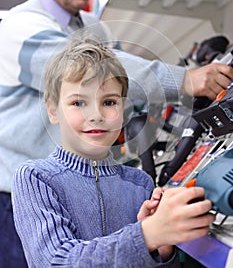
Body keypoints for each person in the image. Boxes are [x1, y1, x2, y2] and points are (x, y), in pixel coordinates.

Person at [0, 0, 232, 268]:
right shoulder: (19, 27)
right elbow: (96, 72)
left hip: (96, 179)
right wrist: (184, 79)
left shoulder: (95, 27)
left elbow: (123, 83)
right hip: (20, 198)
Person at [12, 39, 215, 267]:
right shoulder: (35, 178)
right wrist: (148, 234)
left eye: (108, 102)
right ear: (52, 110)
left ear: (124, 109)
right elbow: (55, 262)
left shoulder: (140, 183)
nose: (96, 115)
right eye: (78, 103)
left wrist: (162, 249)